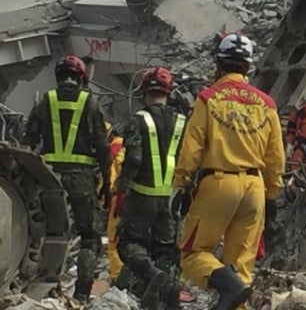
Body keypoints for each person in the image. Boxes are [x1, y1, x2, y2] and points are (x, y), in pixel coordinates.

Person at [173, 33, 286, 310]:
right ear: (248, 67)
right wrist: (271, 196)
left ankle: (227, 283)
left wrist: (181, 184)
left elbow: (193, 146)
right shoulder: (267, 104)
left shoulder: (209, 98)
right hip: (255, 188)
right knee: (242, 269)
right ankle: (233, 288)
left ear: (219, 64)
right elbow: (276, 158)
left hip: (219, 183)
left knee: (194, 254)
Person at [23, 55, 111, 302]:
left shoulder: (45, 102)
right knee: (90, 237)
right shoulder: (90, 104)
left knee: (44, 234)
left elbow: (28, 142)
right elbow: (103, 148)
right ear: (81, 78)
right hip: (82, 180)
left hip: (49, 179)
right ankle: (82, 293)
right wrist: (107, 183)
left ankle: (40, 286)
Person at [116, 67, 187, 308]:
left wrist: (122, 191)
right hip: (171, 198)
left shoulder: (138, 120)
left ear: (144, 91)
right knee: (167, 250)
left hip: (142, 196)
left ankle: (148, 271)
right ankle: (171, 299)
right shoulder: (182, 121)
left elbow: (134, 159)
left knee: (128, 243)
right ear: (169, 92)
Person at [106, 122, 126, 281]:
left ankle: (118, 277)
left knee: (113, 240)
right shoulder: (123, 147)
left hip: (118, 199)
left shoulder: (115, 150)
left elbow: (112, 178)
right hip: (132, 199)